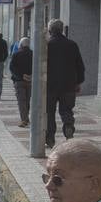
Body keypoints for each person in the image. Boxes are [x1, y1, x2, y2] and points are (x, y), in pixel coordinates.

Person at [44, 19, 85, 147]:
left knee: (49, 112)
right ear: (62, 30)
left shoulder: (47, 45)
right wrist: (78, 82)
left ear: (50, 30)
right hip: (68, 85)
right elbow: (80, 65)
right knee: (67, 110)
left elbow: (40, 66)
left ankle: (50, 137)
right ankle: (68, 127)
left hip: (49, 85)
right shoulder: (72, 45)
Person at [9, 36, 32, 128]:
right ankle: (26, 118)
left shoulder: (16, 54)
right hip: (30, 81)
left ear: (21, 44)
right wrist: (30, 75)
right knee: (27, 100)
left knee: (21, 101)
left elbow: (12, 68)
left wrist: (21, 75)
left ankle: (24, 120)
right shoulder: (33, 54)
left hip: (19, 81)